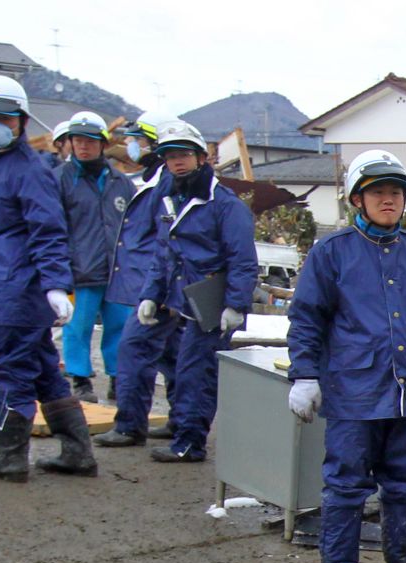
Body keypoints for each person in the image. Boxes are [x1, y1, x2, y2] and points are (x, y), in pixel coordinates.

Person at [286, 149, 406, 563]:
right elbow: (307, 318)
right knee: (346, 482)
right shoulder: (332, 253)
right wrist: (304, 376)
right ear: (357, 200)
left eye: (395, 193)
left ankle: (403, 559)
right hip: (354, 388)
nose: (388, 201)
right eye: (378, 192)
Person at [0, 75, 97, 481]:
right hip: (8, 286)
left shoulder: (27, 170)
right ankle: (77, 454)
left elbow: (48, 230)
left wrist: (54, 284)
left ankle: (10, 459)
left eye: (6, 118)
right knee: (44, 369)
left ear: (21, 122)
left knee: (11, 368)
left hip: (16, 291)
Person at [135, 119, 257, 463]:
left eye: (183, 154)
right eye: (170, 155)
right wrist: (151, 294)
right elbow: (164, 251)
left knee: (196, 372)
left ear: (200, 157)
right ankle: (184, 432)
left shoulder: (224, 204)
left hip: (211, 301)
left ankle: (190, 442)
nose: (176, 161)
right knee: (178, 366)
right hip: (182, 297)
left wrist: (235, 305)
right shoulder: (171, 196)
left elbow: (243, 258)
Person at [93, 118, 182, 448]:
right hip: (150, 283)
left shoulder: (166, 183)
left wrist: (157, 290)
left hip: (155, 285)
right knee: (172, 356)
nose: (131, 145)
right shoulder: (154, 180)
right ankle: (180, 420)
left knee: (134, 349)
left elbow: (166, 239)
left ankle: (130, 425)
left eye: (136, 139)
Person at [55, 110, 135, 403]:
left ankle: (117, 378)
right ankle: (80, 379)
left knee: (119, 327)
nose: (83, 146)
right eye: (77, 140)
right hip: (79, 270)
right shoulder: (60, 180)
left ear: (102, 144)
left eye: (89, 141)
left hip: (117, 273)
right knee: (77, 327)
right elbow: (52, 228)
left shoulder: (120, 182)